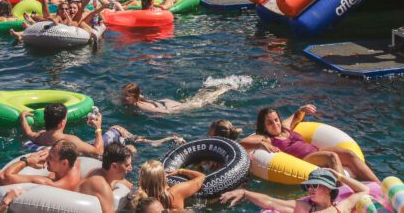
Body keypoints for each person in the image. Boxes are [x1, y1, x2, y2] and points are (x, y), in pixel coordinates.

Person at [241, 106, 379, 183]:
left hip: (317, 151)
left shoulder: (285, 127)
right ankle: (346, 190)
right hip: (305, 160)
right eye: (270, 123)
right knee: (332, 157)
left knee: (349, 154)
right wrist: (262, 142)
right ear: (264, 127)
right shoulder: (268, 137)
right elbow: (244, 142)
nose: (275, 124)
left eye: (276, 120)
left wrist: (302, 109)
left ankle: (378, 185)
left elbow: (296, 116)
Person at [220, 168, 370, 213]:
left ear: (328, 189)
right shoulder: (304, 208)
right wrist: (244, 192)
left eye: (315, 185)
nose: (310, 189)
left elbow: (365, 191)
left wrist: (338, 175)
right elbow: (270, 202)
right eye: (308, 185)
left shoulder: (342, 207)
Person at [19, 102, 104, 156]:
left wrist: (23, 117)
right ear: (61, 123)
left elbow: (28, 132)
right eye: (65, 118)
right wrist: (98, 128)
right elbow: (99, 152)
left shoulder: (40, 136)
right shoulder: (71, 141)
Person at [0, 140, 81, 190]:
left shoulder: (51, 184)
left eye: (50, 157)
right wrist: (49, 152)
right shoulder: (75, 164)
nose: (47, 158)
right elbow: (65, 145)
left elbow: (3, 177)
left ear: (64, 163)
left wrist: (27, 161)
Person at [77, 143, 134, 213]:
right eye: (127, 165)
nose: (131, 168)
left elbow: (120, 182)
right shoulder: (103, 187)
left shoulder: (97, 172)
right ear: (114, 166)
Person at [129, 159, 204, 211]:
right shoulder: (175, 192)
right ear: (163, 178)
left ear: (141, 181)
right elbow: (201, 177)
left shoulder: (139, 198)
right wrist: (180, 171)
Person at [120, 81, 237, 113]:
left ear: (134, 97)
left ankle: (223, 89)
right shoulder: (138, 97)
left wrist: (177, 111)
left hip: (169, 107)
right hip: (164, 101)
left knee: (201, 102)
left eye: (127, 96)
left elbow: (165, 112)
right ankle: (217, 88)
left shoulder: (141, 106)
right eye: (124, 95)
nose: (124, 98)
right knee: (196, 98)